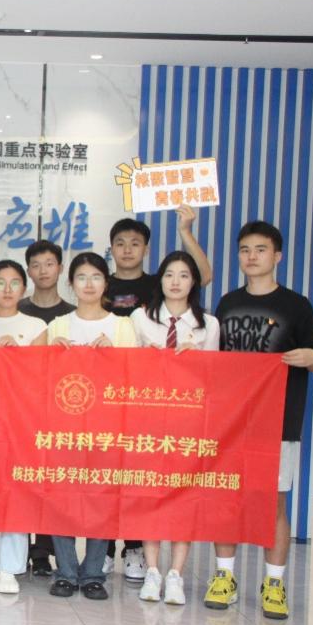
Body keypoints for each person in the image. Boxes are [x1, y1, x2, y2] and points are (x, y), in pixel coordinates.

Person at [205, 221, 313, 620]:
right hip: (231, 422)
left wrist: (310, 357)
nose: (251, 256)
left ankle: (274, 583)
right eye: (244, 250)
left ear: (277, 256)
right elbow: (213, 360)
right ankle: (224, 577)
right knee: (226, 498)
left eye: (260, 249)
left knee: (273, 501)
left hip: (279, 421)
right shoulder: (227, 303)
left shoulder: (296, 305)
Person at [104, 207, 213, 580]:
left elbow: (202, 275)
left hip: (171, 410)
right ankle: (105, 548)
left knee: (148, 481)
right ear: (111, 248)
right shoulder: (103, 286)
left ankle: (137, 550)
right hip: (121, 399)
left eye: (135, 243)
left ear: (147, 249)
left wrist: (186, 231)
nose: (127, 249)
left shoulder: (158, 285)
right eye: (120, 243)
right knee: (116, 477)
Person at [45, 252, 137, 600]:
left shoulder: (122, 326)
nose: (88, 284)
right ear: (71, 283)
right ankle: (66, 571)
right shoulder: (58, 325)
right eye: (81, 277)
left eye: (96, 277)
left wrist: (116, 355)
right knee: (61, 498)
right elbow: (37, 376)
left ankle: (94, 572)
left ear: (106, 283)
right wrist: (49, 353)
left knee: (103, 497)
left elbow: (135, 377)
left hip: (108, 428)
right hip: (64, 427)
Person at [129, 251, 219, 606]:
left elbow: (215, 380)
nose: (176, 281)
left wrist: (197, 362)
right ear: (160, 280)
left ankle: (176, 573)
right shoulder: (140, 318)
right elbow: (125, 369)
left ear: (194, 281)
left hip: (188, 424)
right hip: (148, 420)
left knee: (184, 495)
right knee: (151, 493)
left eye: (184, 275)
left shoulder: (208, 324)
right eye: (169, 274)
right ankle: (152, 570)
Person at [0, 260, 47, 594]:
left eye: (14, 282)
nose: (7, 289)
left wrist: (19, 355)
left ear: (24, 288)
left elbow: (41, 375)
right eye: (0, 282)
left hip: (22, 421)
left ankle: (13, 567)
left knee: (17, 490)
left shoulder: (36, 326)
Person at [16, 239, 74, 576]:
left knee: (52, 480)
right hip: (21, 408)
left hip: (58, 410)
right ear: (28, 270)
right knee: (23, 477)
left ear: (60, 268)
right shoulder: (17, 309)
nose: (43, 271)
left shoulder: (70, 314)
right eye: (36, 265)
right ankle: (20, 547)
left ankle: (44, 550)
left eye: (49, 264)